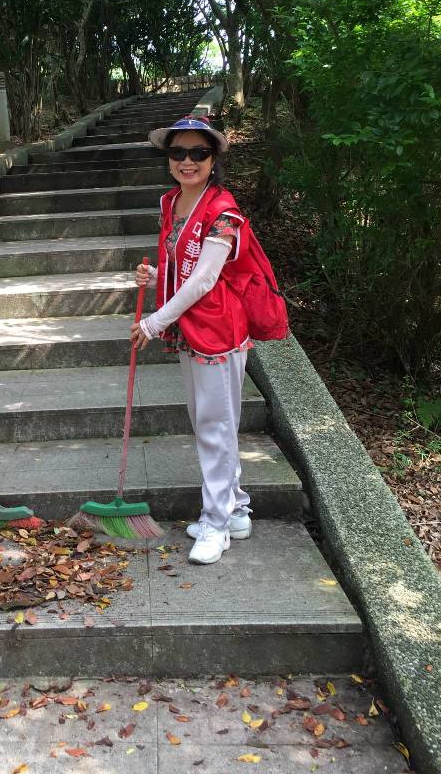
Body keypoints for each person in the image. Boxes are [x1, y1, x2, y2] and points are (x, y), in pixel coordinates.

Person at [131, 115, 253, 564]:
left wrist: (153, 322)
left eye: (198, 153)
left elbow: (205, 280)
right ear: (168, 160)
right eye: (178, 152)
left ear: (213, 158)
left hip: (219, 330)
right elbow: (186, 270)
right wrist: (158, 274)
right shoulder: (172, 203)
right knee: (209, 422)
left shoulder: (224, 212)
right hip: (191, 329)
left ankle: (217, 524)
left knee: (215, 427)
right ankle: (235, 509)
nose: (187, 160)